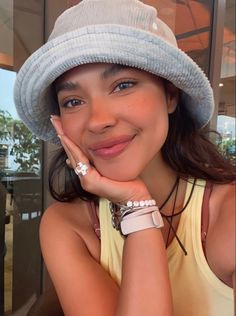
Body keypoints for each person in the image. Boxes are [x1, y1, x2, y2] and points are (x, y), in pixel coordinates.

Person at [14, 0, 235, 315]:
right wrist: (137, 206)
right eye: (74, 101)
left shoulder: (228, 212)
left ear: (170, 95)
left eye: (123, 85)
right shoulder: (69, 225)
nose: (97, 120)